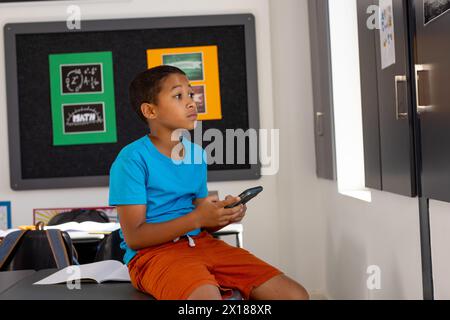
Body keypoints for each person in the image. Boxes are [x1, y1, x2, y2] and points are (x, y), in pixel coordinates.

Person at [109, 65, 309, 300]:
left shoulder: (196, 155)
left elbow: (202, 219)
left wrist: (222, 215)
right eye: (178, 96)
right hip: (152, 255)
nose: (192, 102)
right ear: (150, 111)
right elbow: (135, 237)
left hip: (202, 244)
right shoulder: (131, 159)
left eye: (191, 95)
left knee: (295, 296)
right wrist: (198, 218)